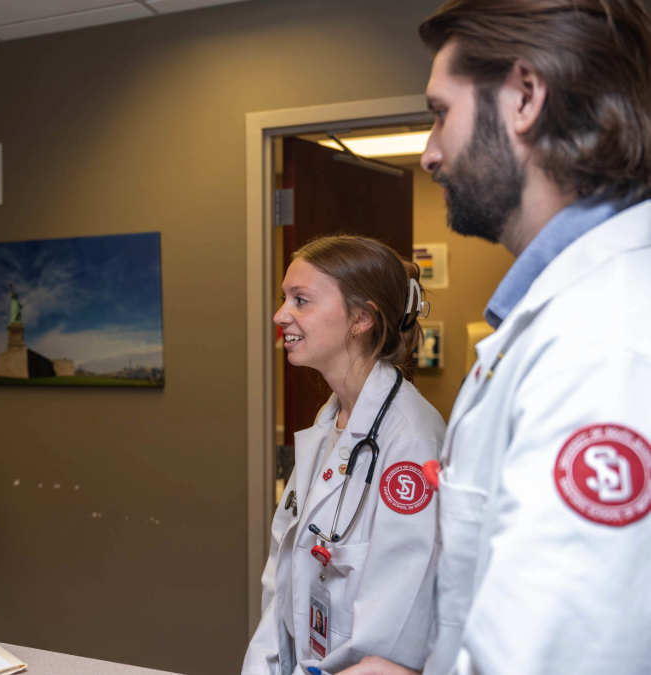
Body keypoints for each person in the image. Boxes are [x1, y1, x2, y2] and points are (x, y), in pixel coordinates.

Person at [339, 1, 651, 674]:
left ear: (524, 97)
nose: (427, 152)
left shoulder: (603, 343)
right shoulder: (560, 315)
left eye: (439, 112)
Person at [242, 236, 446, 675]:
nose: (281, 315)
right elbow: (284, 572)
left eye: (301, 300)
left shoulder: (411, 441)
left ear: (360, 319)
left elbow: (395, 638)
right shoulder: (331, 418)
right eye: (284, 298)